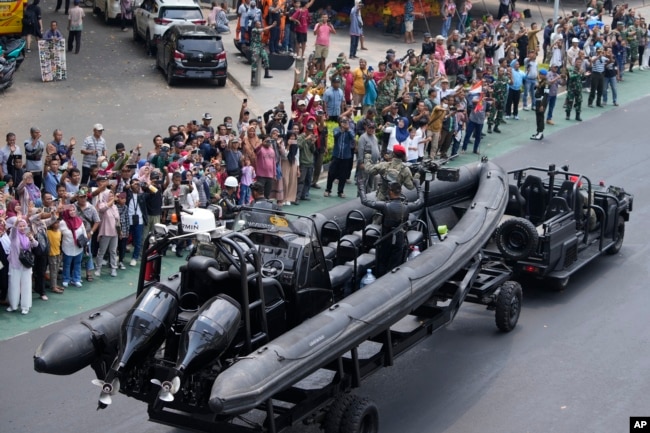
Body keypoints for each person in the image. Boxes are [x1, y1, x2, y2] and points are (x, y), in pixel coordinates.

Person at [358, 178, 424, 277]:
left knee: (381, 264)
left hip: (386, 239)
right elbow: (420, 202)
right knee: (395, 265)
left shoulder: (385, 206)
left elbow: (365, 201)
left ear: (391, 192)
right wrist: (418, 186)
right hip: (399, 239)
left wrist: (361, 186)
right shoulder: (407, 207)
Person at [6, 217, 39, 314]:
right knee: (13, 285)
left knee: (26, 285)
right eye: (20, 226)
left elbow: (36, 245)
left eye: (24, 226)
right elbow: (13, 229)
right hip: (15, 263)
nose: (22, 228)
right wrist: (17, 221)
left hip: (26, 264)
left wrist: (31, 239)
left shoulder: (28, 235)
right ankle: (13, 305)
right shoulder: (14, 235)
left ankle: (25, 306)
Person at [325, 117, 355, 198]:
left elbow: (353, 137)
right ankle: (328, 190)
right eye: (343, 121)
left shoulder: (350, 130)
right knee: (331, 173)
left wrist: (348, 129)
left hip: (346, 156)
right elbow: (335, 136)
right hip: (336, 155)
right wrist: (342, 130)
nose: (344, 123)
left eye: (346, 121)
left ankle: (340, 191)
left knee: (343, 175)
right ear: (339, 122)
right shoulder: (336, 129)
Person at [60, 206, 87, 288]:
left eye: (73, 210)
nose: (72, 212)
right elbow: (60, 234)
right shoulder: (62, 222)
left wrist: (85, 241)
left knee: (77, 263)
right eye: (70, 210)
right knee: (67, 264)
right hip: (67, 247)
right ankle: (66, 279)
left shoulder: (79, 220)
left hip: (78, 247)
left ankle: (76, 279)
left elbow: (84, 232)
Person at [95, 190, 120, 277]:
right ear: (105, 196)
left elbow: (117, 219)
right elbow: (103, 209)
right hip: (105, 232)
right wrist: (112, 200)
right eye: (109, 196)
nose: (111, 197)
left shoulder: (115, 207)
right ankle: (98, 268)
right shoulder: (102, 204)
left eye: (112, 196)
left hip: (115, 233)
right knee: (101, 251)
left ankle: (113, 268)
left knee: (113, 251)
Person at [531, 69, 549, 141]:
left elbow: (546, 95)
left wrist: (542, 105)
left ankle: (540, 133)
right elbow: (536, 88)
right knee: (538, 117)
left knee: (541, 117)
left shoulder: (546, 83)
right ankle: (538, 132)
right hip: (538, 101)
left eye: (542, 74)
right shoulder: (540, 81)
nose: (541, 75)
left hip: (542, 101)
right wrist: (536, 85)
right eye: (540, 74)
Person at [47, 219, 63, 294]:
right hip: (51, 254)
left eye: (58, 223)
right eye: (55, 223)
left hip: (58, 253)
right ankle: (53, 286)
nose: (57, 224)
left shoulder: (59, 232)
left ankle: (54, 284)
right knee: (53, 271)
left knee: (56, 270)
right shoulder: (48, 232)